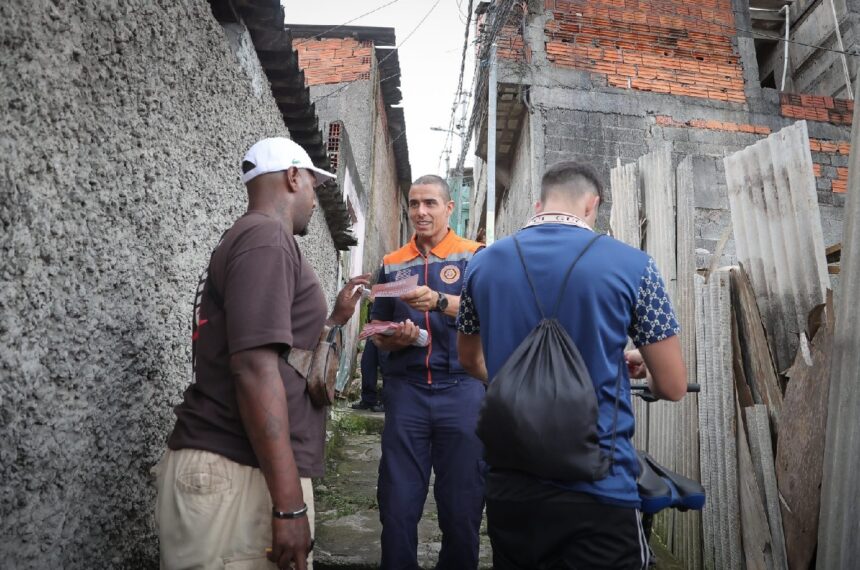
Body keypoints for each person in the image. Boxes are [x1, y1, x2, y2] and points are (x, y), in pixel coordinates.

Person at [456, 161, 687, 570]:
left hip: (511, 487)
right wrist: (636, 368)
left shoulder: (482, 265)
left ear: (538, 203)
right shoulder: (634, 267)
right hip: (601, 489)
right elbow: (671, 385)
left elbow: (470, 360)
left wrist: (529, 385)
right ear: (592, 205)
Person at [152, 137, 369, 570]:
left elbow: (279, 352)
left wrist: (332, 321)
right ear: (292, 177)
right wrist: (289, 506)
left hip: (240, 472)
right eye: (312, 183)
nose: (314, 197)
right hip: (236, 474)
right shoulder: (267, 239)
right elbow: (254, 368)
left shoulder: (257, 239)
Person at [370, 175, 485, 569]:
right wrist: (392, 338)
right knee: (398, 502)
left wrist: (439, 301)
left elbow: (488, 314)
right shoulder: (392, 262)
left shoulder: (475, 256)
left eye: (430, 203)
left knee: (462, 503)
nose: (421, 211)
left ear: (449, 208)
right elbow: (377, 329)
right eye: (415, 203)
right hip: (407, 392)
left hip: (463, 389)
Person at [351, 304, 385, 413]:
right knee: (367, 363)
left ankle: (386, 402)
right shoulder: (380, 289)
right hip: (374, 328)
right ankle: (368, 400)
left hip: (388, 328)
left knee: (386, 365)